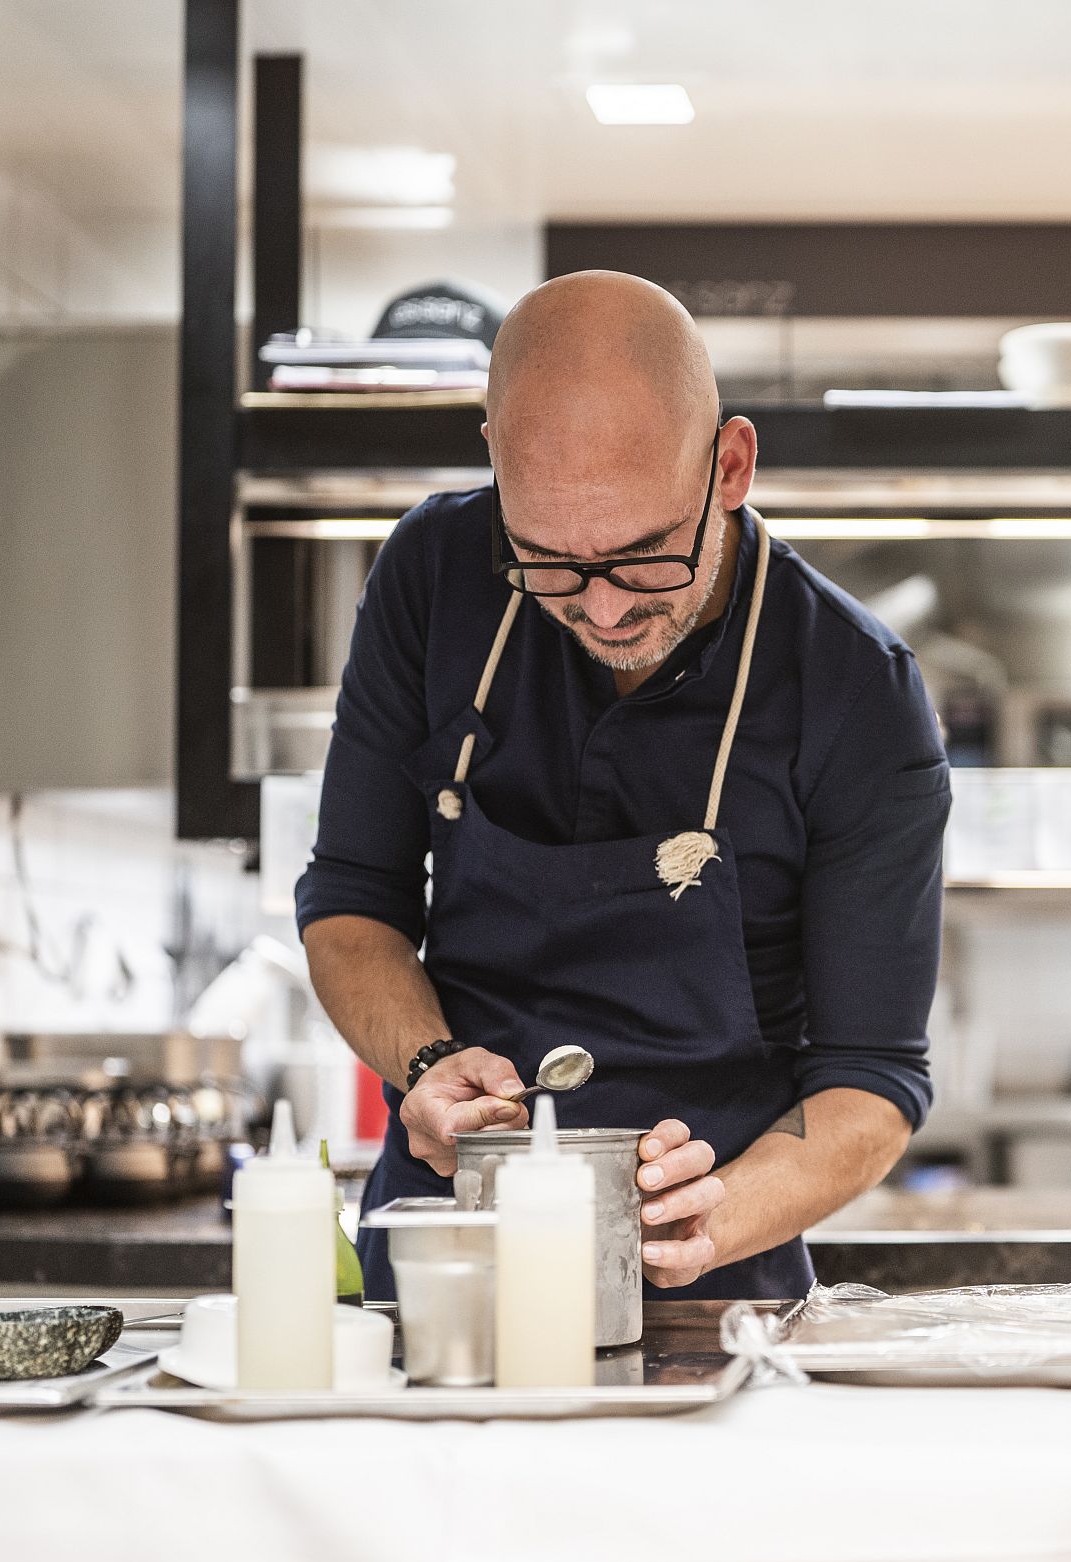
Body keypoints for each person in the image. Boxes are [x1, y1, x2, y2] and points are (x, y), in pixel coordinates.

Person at [297, 270, 949, 1301]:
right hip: (447, 1264)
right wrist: (425, 1067)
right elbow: (349, 905)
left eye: (644, 558)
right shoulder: (434, 575)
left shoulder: (856, 692)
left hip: (712, 1284)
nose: (600, 610)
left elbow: (873, 1081)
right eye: (548, 561)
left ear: (729, 466)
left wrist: (712, 1217)